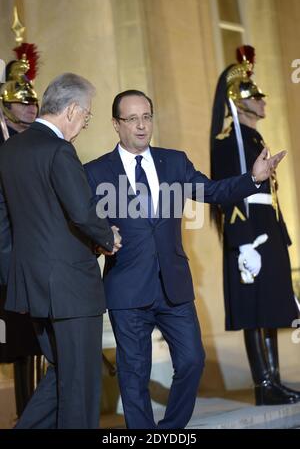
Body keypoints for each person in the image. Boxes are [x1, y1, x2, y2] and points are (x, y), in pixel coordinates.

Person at [84, 89, 285, 429]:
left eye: (146, 116)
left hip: (173, 287)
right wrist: (98, 242)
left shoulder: (174, 162)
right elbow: (86, 223)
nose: (141, 126)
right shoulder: (95, 172)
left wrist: (253, 179)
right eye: (132, 119)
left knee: (192, 360)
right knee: (134, 375)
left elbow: (213, 192)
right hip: (126, 288)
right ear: (116, 124)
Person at [0, 72, 121, 429]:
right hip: (70, 285)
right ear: (71, 110)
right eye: (86, 116)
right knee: (81, 383)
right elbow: (82, 211)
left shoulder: (8, 150)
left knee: (64, 376)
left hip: (32, 288)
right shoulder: (58, 149)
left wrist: (15, 272)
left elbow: (2, 222)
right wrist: (108, 237)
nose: (84, 124)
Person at [210, 45, 300, 405]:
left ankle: (274, 381)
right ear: (238, 101)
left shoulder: (253, 137)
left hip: (266, 230)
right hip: (248, 235)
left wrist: (281, 237)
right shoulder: (228, 141)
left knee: (271, 309)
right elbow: (229, 193)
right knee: (254, 310)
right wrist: (243, 241)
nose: (263, 102)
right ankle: (263, 384)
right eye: (255, 97)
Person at [0, 49, 44, 418]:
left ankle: (32, 415)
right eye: (22, 103)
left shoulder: (36, 144)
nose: (31, 108)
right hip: (6, 258)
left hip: (34, 258)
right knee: (11, 340)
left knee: (33, 342)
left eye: (33, 103)